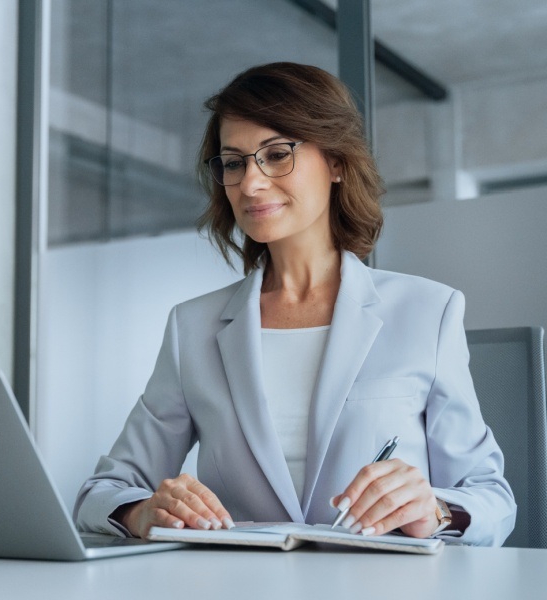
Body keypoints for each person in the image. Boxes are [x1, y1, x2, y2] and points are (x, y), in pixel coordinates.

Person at [73, 62, 515, 546]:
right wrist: (142, 511)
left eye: (277, 154)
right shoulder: (192, 327)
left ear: (337, 162)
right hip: (240, 579)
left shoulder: (428, 311)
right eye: (234, 163)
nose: (251, 183)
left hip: (380, 580)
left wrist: (436, 510)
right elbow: (102, 492)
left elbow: (492, 498)